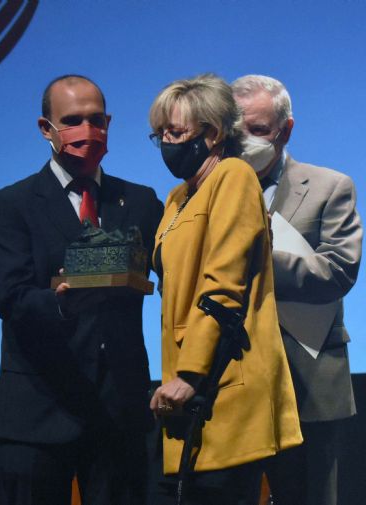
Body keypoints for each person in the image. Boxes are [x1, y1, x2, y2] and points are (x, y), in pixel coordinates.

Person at [0, 74, 164, 505]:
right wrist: (63, 304)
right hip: (39, 413)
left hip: (118, 410)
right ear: (46, 129)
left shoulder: (140, 201)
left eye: (96, 120)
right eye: (73, 121)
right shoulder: (13, 204)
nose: (88, 133)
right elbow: (11, 299)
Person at [147, 74, 302, 505]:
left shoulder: (233, 177)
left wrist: (190, 375)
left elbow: (222, 286)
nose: (166, 143)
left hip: (221, 381)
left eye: (175, 133)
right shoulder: (178, 197)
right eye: (159, 133)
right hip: (187, 391)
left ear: (212, 134)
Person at [232, 74, 363, 505]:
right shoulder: (207, 192)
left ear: (285, 130)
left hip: (308, 378)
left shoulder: (330, 186)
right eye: (236, 130)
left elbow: (338, 271)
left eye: (258, 130)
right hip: (233, 380)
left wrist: (255, 261)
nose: (245, 140)